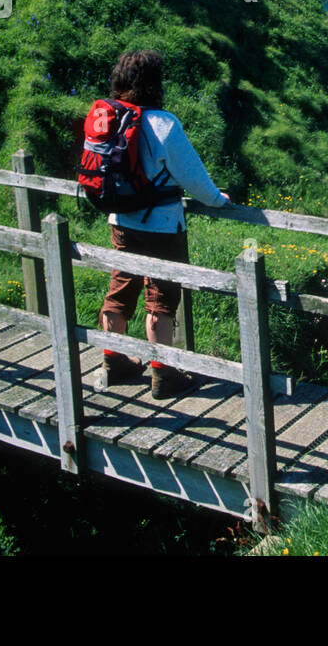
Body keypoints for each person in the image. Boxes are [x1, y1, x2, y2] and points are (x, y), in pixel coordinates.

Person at [96, 49, 230, 398]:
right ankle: (162, 373)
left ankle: (114, 360)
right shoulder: (163, 124)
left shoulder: (111, 118)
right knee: (160, 297)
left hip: (120, 220)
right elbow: (195, 180)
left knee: (120, 288)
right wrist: (218, 200)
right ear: (154, 84)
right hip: (161, 225)